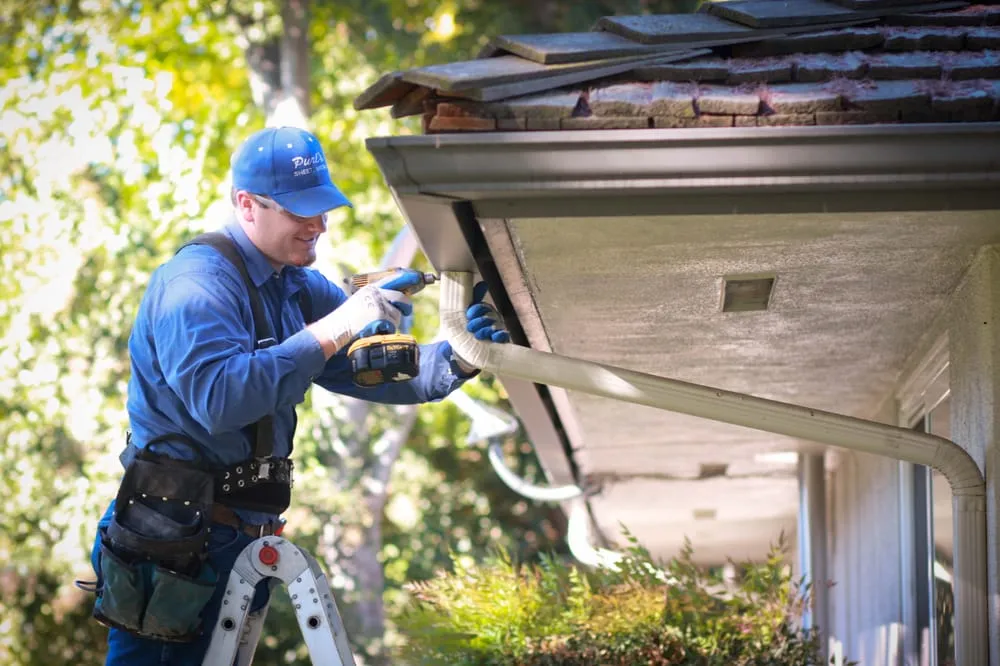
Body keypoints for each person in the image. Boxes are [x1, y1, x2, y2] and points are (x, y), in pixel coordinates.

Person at [84, 126, 510, 665]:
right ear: (246, 205)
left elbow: (373, 368)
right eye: (299, 211)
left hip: (240, 541)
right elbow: (220, 401)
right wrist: (339, 324)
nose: (319, 225)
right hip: (173, 543)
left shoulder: (295, 286)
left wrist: (462, 354)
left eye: (322, 208)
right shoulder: (196, 283)